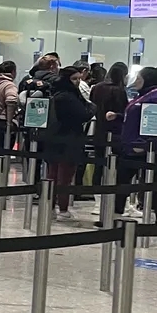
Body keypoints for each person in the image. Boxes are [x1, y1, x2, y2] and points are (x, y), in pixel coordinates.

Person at [116, 66, 157, 220]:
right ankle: (115, 214)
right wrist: (119, 116)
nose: (137, 81)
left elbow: (155, 125)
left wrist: (145, 144)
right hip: (134, 146)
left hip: (145, 148)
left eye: (140, 78)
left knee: (151, 184)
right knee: (123, 180)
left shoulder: (156, 99)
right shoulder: (145, 96)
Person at [46, 64, 94, 222]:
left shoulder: (56, 93)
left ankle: (50, 207)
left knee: (53, 175)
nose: (78, 82)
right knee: (64, 176)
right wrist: (92, 107)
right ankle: (63, 208)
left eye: (79, 79)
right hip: (69, 139)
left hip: (54, 138)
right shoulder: (68, 97)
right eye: (74, 79)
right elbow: (84, 114)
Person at [90, 62, 128, 162]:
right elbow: (124, 110)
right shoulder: (119, 90)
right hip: (115, 131)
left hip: (99, 130)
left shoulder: (96, 87)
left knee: (99, 163)